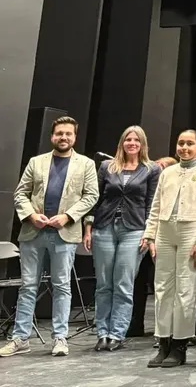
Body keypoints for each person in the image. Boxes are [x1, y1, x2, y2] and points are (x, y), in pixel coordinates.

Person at [0, 116, 99, 358]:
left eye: (68, 134)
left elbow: (91, 196)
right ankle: (20, 338)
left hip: (64, 234)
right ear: (52, 136)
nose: (63, 137)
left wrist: (68, 216)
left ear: (74, 137)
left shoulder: (85, 164)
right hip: (33, 233)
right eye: (59, 133)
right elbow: (20, 194)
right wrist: (31, 215)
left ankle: (60, 338)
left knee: (62, 287)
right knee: (28, 287)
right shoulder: (36, 162)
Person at [141, 130, 196, 368]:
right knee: (162, 288)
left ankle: (179, 345)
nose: (185, 147)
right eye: (181, 143)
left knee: (186, 289)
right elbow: (156, 205)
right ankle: (163, 342)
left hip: (190, 231)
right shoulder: (167, 173)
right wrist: (150, 235)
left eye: (190, 144)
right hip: (165, 230)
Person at [84, 126, 162, 352]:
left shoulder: (152, 169)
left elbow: (152, 203)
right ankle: (102, 333)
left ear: (142, 144)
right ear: (122, 143)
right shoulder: (107, 167)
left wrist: (149, 234)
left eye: (136, 140)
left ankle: (117, 333)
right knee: (104, 284)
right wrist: (88, 228)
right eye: (128, 139)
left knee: (124, 285)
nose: (132, 143)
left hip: (134, 230)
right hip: (104, 227)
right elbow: (95, 199)